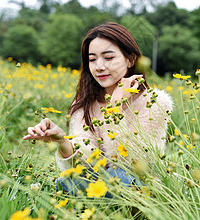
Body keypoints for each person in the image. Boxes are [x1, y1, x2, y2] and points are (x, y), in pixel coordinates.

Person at [23, 22, 173, 195]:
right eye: (92, 59)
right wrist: (62, 141)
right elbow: (87, 161)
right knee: (68, 180)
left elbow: (133, 161)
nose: (99, 66)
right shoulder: (84, 104)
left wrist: (115, 107)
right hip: (102, 181)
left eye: (108, 58)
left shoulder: (154, 101)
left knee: (121, 177)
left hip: (140, 183)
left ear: (130, 59)